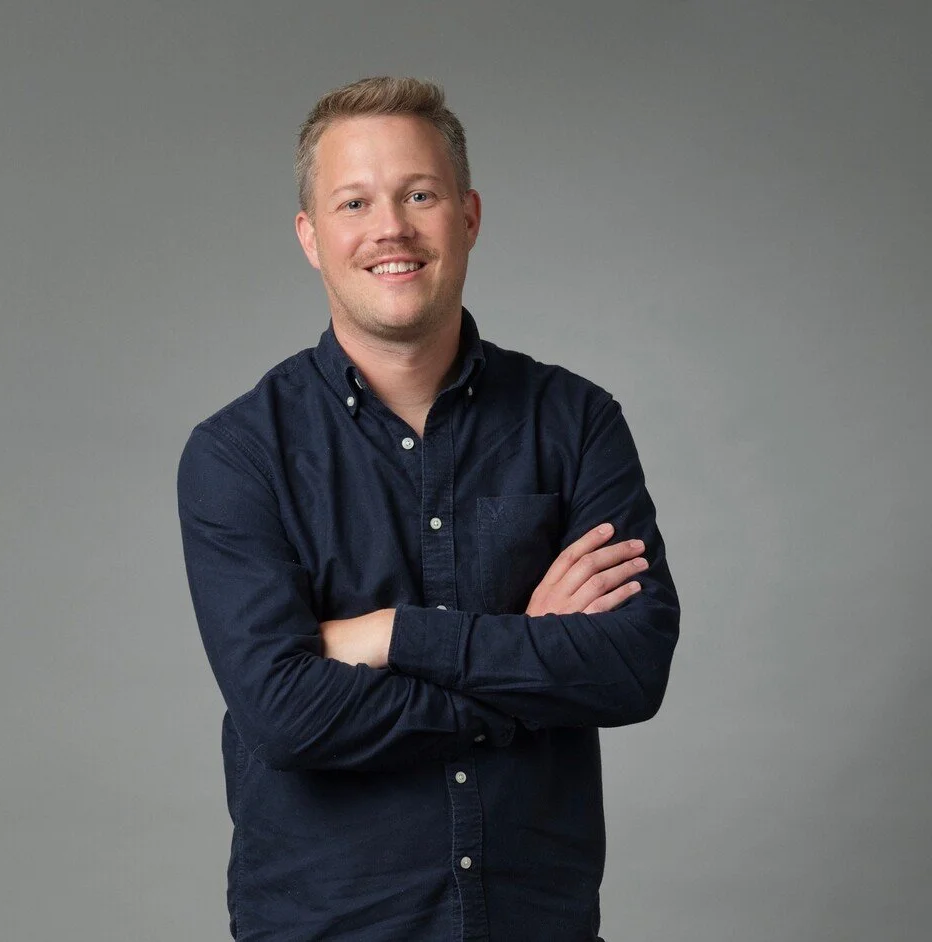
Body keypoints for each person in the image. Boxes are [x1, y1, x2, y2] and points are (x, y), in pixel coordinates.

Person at [178, 76, 679, 942]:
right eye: (353, 202)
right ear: (310, 237)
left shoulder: (575, 422)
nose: (392, 229)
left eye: (419, 194)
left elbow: (632, 667)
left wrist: (389, 635)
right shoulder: (238, 455)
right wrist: (524, 670)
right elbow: (286, 716)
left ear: (469, 215)